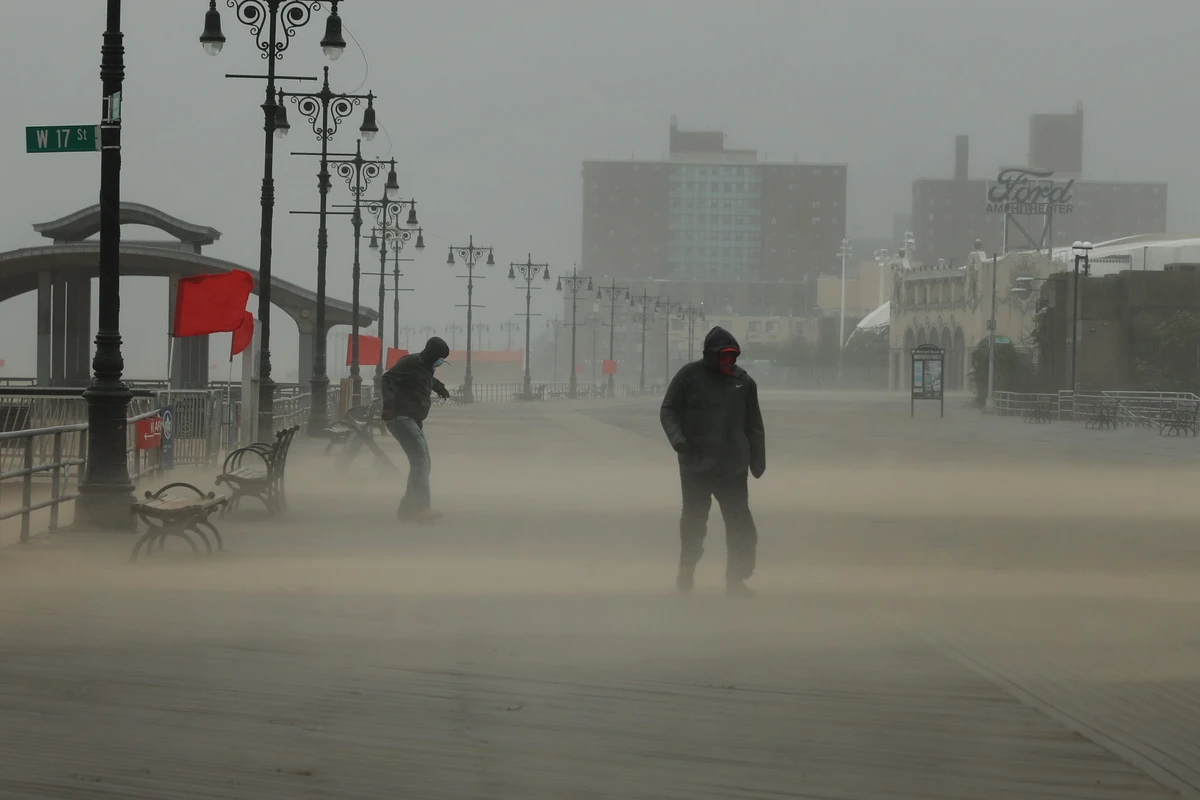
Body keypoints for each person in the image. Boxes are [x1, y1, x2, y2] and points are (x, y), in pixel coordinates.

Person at [660, 326, 765, 597]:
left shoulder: (744, 383)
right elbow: (668, 409)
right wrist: (677, 439)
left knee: (741, 525)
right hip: (696, 465)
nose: (728, 361)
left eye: (732, 356)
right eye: (723, 356)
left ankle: (736, 580)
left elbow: (754, 425)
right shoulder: (688, 377)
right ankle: (687, 568)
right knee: (694, 522)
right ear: (710, 355)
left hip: (732, 467)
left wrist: (757, 460)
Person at [381, 336, 452, 522]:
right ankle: (421, 508)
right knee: (419, 460)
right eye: (440, 357)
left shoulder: (426, 367)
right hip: (400, 417)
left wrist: (440, 388)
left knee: (424, 462)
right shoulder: (411, 362)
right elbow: (386, 378)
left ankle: (407, 509)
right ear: (431, 353)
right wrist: (388, 406)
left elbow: (427, 379)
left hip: (412, 419)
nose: (440, 362)